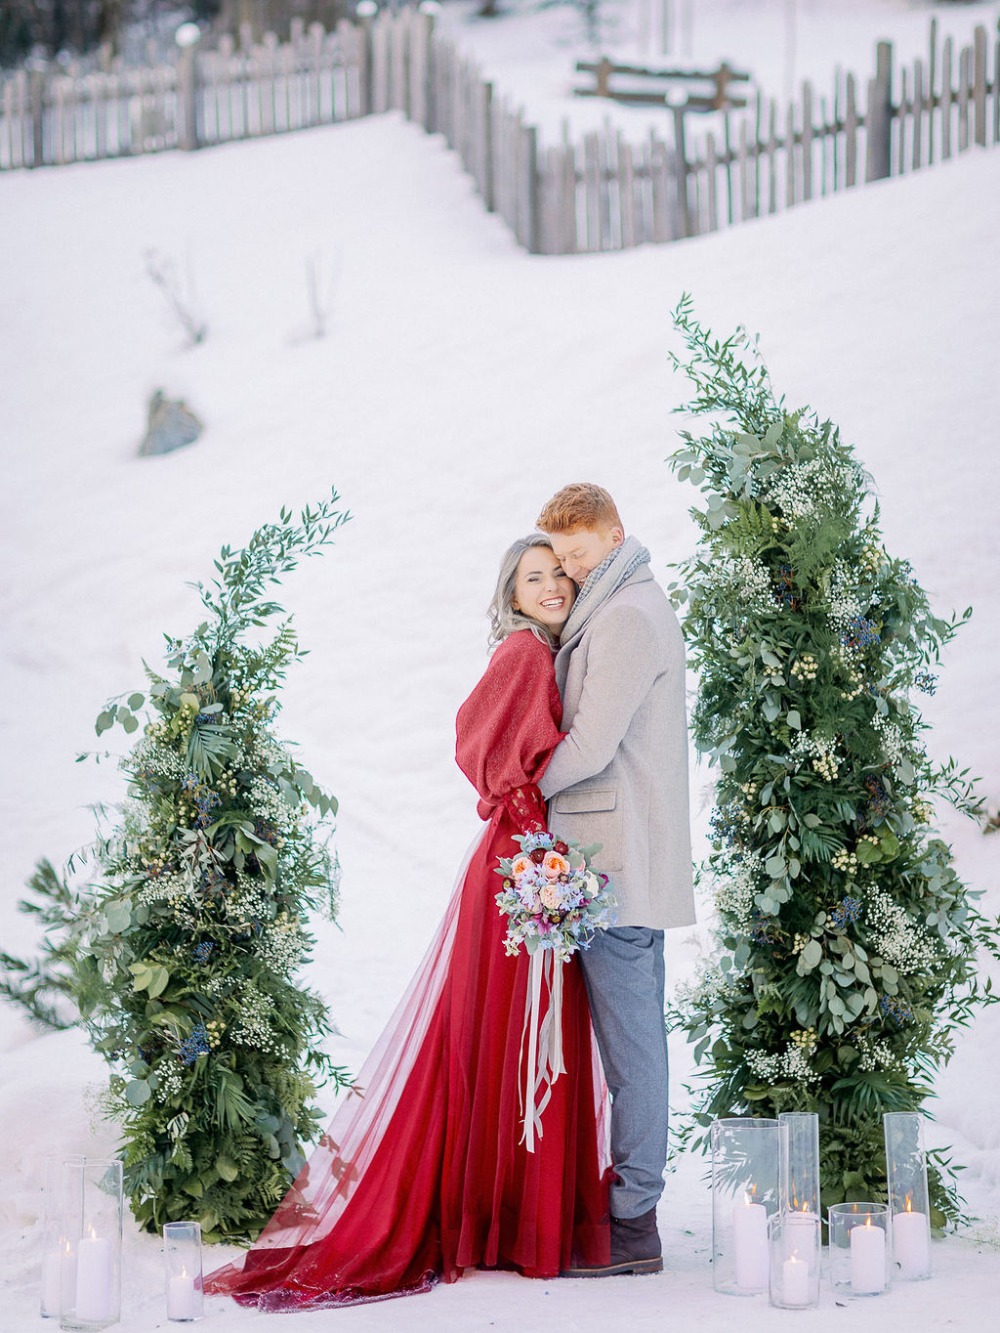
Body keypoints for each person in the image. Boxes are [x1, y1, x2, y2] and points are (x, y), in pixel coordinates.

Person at [203, 535, 610, 1311]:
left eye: (560, 572)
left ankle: (500, 1220)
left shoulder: (540, 652)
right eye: (536, 577)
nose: (553, 584)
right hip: (524, 867)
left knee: (509, 1035)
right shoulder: (525, 653)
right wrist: (535, 844)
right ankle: (509, 1223)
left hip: (527, 858)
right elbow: (478, 743)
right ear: (512, 593)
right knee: (519, 1033)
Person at [534, 483, 695, 1278]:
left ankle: (633, 1221)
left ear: (615, 536)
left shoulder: (628, 616)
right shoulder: (623, 603)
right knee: (637, 1043)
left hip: (614, 862)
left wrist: (527, 790)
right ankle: (631, 1211)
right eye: (559, 559)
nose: (566, 572)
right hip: (617, 856)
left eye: (579, 555)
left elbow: (592, 743)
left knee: (633, 1051)